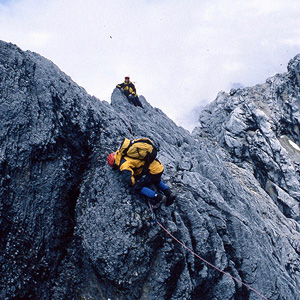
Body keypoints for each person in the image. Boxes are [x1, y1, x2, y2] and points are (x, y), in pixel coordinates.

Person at [107, 138, 176, 208]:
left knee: (137, 187)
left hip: (152, 172)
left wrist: (135, 181)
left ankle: (158, 198)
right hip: (157, 167)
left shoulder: (124, 165)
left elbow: (129, 180)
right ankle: (169, 193)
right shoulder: (126, 153)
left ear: (115, 163)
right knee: (156, 180)